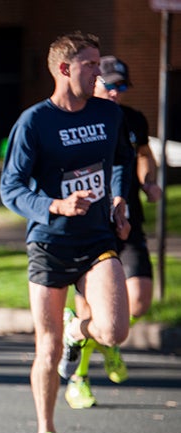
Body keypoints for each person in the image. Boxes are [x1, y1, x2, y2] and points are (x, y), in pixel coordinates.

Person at [0, 32, 131, 433]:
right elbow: (10, 188)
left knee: (114, 331)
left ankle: (82, 332)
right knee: (47, 348)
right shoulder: (35, 122)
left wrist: (118, 200)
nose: (99, 72)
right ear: (64, 69)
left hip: (97, 237)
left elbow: (118, 163)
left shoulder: (108, 113)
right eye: (91, 64)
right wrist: (54, 204)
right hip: (50, 242)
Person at [59, 55, 162, 407]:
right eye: (110, 85)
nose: (116, 92)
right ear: (93, 81)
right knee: (91, 306)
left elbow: (144, 153)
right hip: (89, 227)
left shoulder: (131, 118)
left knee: (140, 300)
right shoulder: (77, 119)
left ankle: (107, 337)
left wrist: (148, 182)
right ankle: (80, 377)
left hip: (127, 221)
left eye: (121, 86)